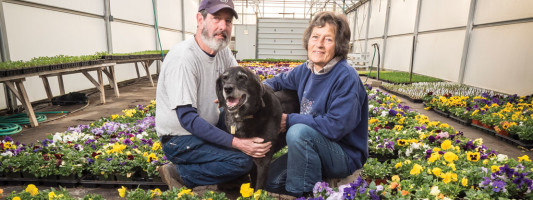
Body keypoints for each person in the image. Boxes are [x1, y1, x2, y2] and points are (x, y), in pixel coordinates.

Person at [156, 0, 272, 189]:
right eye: (216, 18)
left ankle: (222, 172)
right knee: (242, 161)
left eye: (228, 21)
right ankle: (179, 173)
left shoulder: (222, 52)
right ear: (199, 19)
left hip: (209, 124)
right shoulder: (184, 59)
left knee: (241, 125)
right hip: (179, 139)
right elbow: (187, 119)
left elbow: (245, 83)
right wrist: (239, 143)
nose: (222, 27)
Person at [262, 11, 369, 197]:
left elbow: (335, 127)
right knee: (268, 180)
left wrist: (288, 121)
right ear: (308, 40)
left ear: (339, 45)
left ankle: (305, 193)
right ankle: (317, 177)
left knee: (298, 132)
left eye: (328, 39)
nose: (319, 44)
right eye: (315, 37)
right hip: (314, 147)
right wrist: (253, 91)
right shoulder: (307, 69)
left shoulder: (346, 77)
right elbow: (277, 82)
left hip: (343, 154)